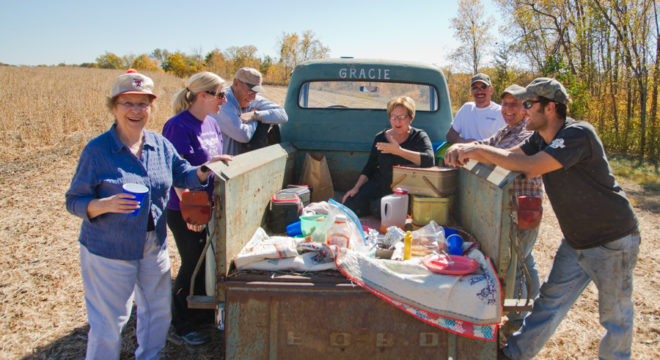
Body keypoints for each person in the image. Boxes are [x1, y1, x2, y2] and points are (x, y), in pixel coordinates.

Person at [445, 78, 640, 360]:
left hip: (612, 240)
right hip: (576, 241)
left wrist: (476, 149)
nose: (523, 111)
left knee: (615, 315)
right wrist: (468, 149)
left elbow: (532, 167)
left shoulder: (577, 134)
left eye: (528, 104)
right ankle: (513, 355)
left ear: (549, 108)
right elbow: (509, 156)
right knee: (549, 303)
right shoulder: (539, 137)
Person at [65, 70, 227, 360]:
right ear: (114, 107)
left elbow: (184, 175)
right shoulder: (98, 151)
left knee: (158, 314)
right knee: (109, 323)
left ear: (151, 108)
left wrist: (205, 168)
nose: (136, 111)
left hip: (154, 245)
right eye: (128, 103)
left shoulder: (159, 145)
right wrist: (104, 205)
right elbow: (74, 200)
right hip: (109, 249)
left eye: (143, 104)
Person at [162, 72, 231, 345]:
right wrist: (190, 208)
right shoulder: (177, 126)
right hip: (185, 210)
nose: (224, 100)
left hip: (208, 207)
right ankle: (180, 324)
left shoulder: (211, 124)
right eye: (220, 94)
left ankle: (200, 315)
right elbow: (176, 172)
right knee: (191, 263)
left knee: (207, 262)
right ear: (203, 95)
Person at [471, 84, 544, 337]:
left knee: (515, 263)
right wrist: (466, 148)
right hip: (506, 205)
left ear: (526, 109)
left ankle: (517, 319)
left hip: (522, 208)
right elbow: (486, 144)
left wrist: (476, 151)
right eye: (505, 104)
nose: (508, 110)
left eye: (514, 104)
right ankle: (532, 306)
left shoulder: (529, 134)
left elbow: (506, 159)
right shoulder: (506, 130)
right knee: (525, 258)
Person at [342, 96, 434, 217]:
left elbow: (429, 160)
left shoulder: (419, 136)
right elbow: (370, 167)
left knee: (382, 210)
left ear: (410, 118)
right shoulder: (380, 137)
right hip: (380, 184)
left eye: (402, 117)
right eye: (393, 117)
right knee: (349, 205)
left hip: (404, 190)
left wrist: (399, 151)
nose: (397, 121)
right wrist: (356, 188)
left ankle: (375, 208)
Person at [209, 67, 288, 155]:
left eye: (256, 93)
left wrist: (255, 115)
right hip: (221, 165)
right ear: (236, 84)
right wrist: (255, 120)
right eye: (251, 91)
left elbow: (283, 115)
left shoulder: (252, 99)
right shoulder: (223, 102)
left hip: (240, 163)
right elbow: (243, 135)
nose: (253, 97)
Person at [446, 73, 505, 143]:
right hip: (465, 152)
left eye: (483, 87)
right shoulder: (466, 108)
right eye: (475, 88)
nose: (479, 91)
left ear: (491, 90)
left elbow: (508, 142)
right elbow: (450, 135)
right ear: (471, 91)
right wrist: (463, 142)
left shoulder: (501, 112)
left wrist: (479, 148)